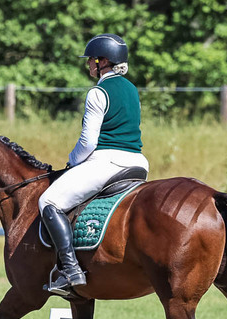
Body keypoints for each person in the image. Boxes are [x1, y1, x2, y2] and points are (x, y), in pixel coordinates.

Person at [38, 33, 150, 294]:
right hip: (137, 164)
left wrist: (72, 162)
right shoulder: (133, 90)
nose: (88, 64)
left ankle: (70, 270)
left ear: (103, 61)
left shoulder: (98, 92)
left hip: (107, 162)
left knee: (48, 201)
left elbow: (88, 142)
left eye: (91, 59)